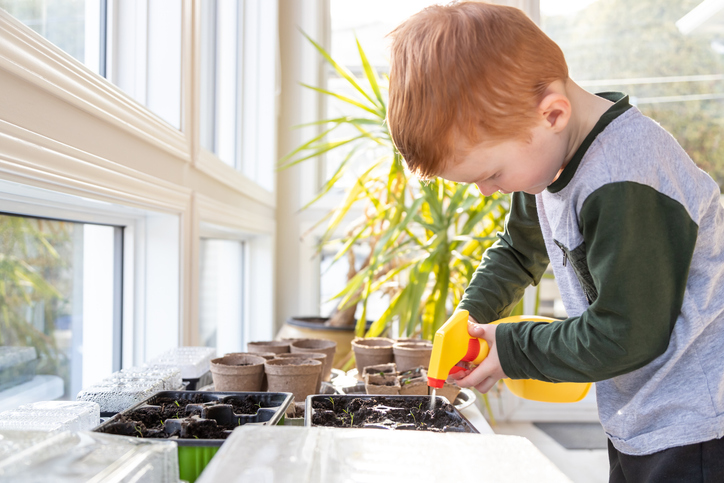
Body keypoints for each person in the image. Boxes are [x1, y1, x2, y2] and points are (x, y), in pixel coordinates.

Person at [386, 2, 724, 481]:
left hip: (698, 426)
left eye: (491, 173)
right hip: (644, 414)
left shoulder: (626, 177)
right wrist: (472, 317)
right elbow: (519, 249)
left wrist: (512, 347)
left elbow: (627, 333)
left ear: (553, 113)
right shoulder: (550, 162)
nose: (488, 190)